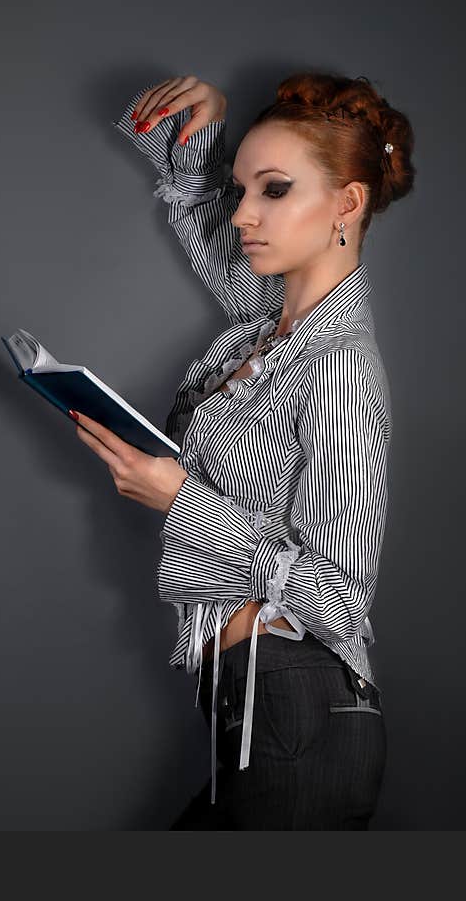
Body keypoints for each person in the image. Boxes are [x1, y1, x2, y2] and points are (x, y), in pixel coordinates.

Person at [70, 71, 415, 829]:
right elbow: (207, 221)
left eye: (275, 190)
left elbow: (342, 599)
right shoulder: (269, 328)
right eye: (243, 189)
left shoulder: (341, 368)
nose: (247, 214)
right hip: (252, 711)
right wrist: (202, 131)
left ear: (347, 205)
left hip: (302, 714)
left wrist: (180, 500)